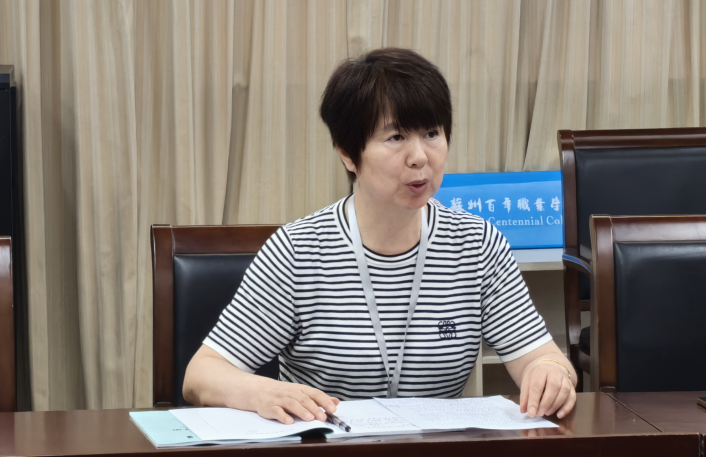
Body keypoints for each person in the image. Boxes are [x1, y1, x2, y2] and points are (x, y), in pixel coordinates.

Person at [183, 48, 576, 424]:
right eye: (396, 137)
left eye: (432, 133)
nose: (420, 157)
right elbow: (201, 375)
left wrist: (551, 372)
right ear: (347, 153)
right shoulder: (299, 251)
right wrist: (262, 392)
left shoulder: (477, 245)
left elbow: (542, 357)